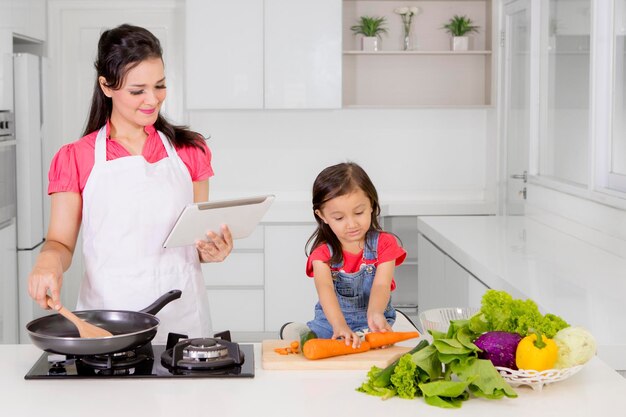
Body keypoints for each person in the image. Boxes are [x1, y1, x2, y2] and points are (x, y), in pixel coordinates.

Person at [27, 24, 233, 343]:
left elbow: (197, 242)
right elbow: (61, 243)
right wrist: (47, 261)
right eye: (138, 90)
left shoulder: (190, 150)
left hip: (183, 320)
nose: (152, 100)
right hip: (108, 323)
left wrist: (212, 250)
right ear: (107, 86)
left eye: (160, 86)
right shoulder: (75, 157)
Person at [282, 162, 406, 348]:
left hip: (373, 323)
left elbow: (382, 284)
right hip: (331, 324)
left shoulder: (385, 244)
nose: (351, 224)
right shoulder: (322, 255)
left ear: (371, 204)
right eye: (339, 218)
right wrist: (339, 326)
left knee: (373, 345)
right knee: (313, 340)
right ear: (322, 216)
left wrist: (375, 314)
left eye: (358, 212)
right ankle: (299, 331)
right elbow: (326, 290)